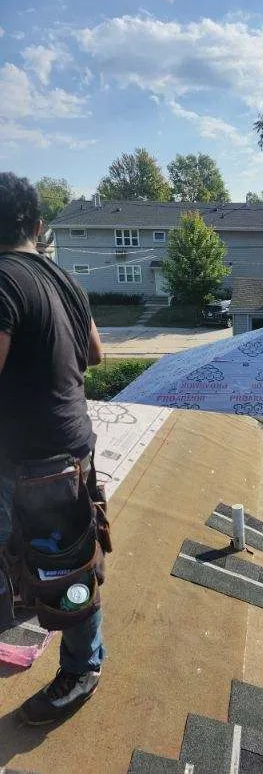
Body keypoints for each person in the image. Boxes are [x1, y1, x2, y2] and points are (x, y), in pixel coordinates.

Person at [0, 172, 105, 725]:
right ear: (38, 227)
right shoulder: (64, 279)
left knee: (61, 572)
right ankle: (77, 661)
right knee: (71, 561)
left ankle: (81, 671)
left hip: (29, 462)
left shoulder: (1, 282)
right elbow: (96, 354)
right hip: (73, 450)